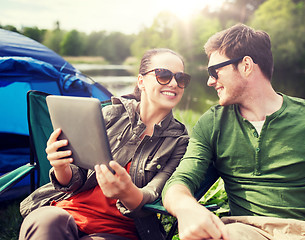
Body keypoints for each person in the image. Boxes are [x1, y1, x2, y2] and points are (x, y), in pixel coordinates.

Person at [162, 24, 305, 240]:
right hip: (244, 232)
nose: (210, 81)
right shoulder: (212, 123)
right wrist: (186, 208)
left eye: (215, 71)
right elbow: (179, 182)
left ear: (246, 65)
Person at [19, 48, 191, 240]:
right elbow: (76, 177)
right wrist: (61, 166)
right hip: (68, 210)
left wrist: (127, 192)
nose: (174, 83)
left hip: (118, 229)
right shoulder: (108, 115)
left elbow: (153, 193)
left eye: (181, 78)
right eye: (164, 75)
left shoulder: (179, 142)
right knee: (46, 222)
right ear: (141, 81)